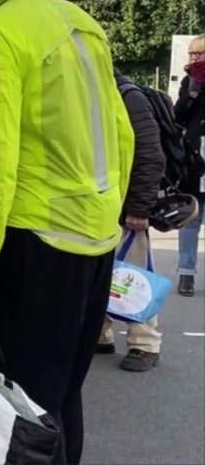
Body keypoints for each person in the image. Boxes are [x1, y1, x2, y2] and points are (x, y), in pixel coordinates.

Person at [0, 0, 133, 465]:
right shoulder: (80, 22)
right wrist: (109, 214)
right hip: (94, 238)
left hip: (37, 240)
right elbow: (121, 133)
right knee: (62, 394)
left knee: (22, 403)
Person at [97, 68, 165, 371]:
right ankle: (100, 334)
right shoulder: (99, 90)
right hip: (102, 202)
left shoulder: (128, 96)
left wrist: (139, 208)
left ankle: (145, 343)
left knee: (133, 276)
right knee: (102, 273)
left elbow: (150, 154)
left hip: (127, 205)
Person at [174, 34, 205, 296]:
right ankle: (186, 274)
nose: (194, 58)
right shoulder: (190, 81)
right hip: (196, 158)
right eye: (192, 54)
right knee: (191, 218)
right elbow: (178, 116)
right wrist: (192, 92)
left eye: (200, 54)